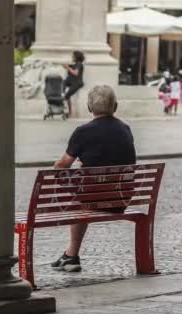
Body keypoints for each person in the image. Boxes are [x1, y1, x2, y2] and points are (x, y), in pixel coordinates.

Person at [51, 85, 136, 272]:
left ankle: (71, 256)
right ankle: (70, 256)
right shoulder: (125, 129)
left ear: (89, 107)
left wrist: (62, 168)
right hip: (120, 199)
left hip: (93, 199)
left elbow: (62, 165)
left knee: (80, 194)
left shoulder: (83, 131)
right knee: (85, 190)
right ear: (115, 106)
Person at [62, 50, 85, 117]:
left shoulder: (79, 64)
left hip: (77, 83)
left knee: (67, 96)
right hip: (71, 81)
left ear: (76, 57)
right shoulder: (75, 64)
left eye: (73, 56)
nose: (72, 57)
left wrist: (68, 68)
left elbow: (75, 73)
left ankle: (70, 112)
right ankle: (62, 92)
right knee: (63, 82)